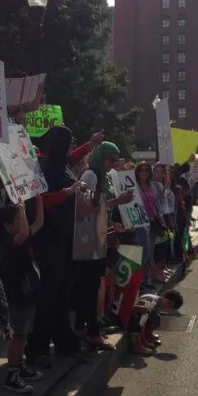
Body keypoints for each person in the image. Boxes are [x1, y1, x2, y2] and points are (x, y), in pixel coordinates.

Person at [25, 126, 104, 367]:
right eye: (69, 143)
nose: (71, 148)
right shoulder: (41, 167)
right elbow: (39, 200)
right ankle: (37, 348)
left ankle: (63, 343)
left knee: (61, 295)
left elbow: (72, 158)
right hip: (49, 243)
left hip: (66, 241)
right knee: (49, 296)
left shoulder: (61, 165)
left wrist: (89, 145)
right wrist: (68, 192)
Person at [0, 200, 45, 393]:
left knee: (25, 334)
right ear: (7, 226)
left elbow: (38, 224)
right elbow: (25, 232)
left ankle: (19, 366)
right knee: (18, 335)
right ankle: (12, 374)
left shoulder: (21, 237)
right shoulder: (7, 241)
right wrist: (20, 207)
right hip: (17, 295)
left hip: (28, 295)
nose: (22, 223)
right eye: (17, 220)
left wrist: (39, 201)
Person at [78, 142, 134, 346]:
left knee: (95, 283)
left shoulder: (103, 177)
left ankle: (91, 327)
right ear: (101, 158)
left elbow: (100, 207)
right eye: (111, 160)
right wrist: (115, 202)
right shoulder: (90, 176)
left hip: (100, 236)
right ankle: (90, 329)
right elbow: (85, 208)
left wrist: (117, 202)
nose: (113, 165)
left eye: (116, 161)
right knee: (90, 284)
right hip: (89, 239)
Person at [128, 289, 184, 356]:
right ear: (164, 296)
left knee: (155, 317)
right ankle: (137, 344)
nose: (167, 306)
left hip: (136, 314)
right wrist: (144, 341)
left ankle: (148, 335)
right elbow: (142, 321)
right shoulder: (152, 301)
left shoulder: (158, 302)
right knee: (147, 318)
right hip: (131, 315)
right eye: (169, 302)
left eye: (170, 306)